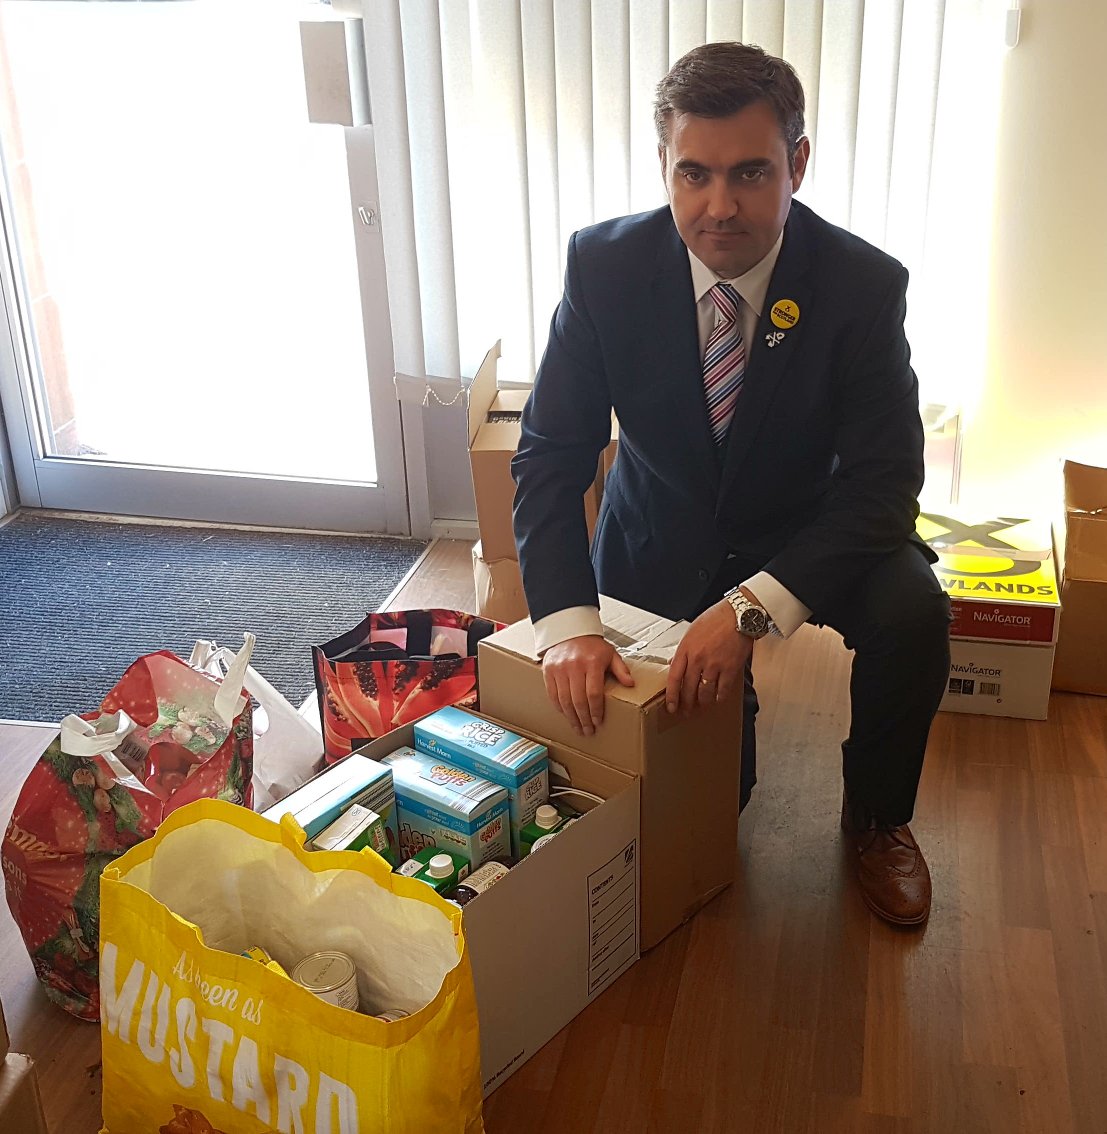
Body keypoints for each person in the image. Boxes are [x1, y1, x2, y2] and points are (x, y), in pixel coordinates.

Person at [510, 42, 951, 927]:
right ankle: (722, 718)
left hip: (808, 528)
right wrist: (566, 625)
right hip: (660, 531)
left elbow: (884, 483)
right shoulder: (603, 267)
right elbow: (550, 454)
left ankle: (877, 817)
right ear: (664, 167)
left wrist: (748, 610)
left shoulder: (861, 285)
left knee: (914, 614)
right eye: (694, 174)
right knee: (717, 801)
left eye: (750, 172)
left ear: (797, 163)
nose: (719, 206)